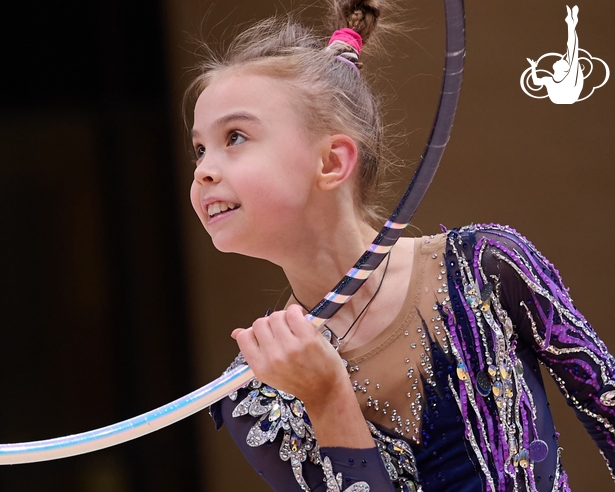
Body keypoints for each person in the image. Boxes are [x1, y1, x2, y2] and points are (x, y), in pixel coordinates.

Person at [187, 1, 615, 491]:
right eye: (200, 148)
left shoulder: (484, 268)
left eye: (235, 137)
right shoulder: (259, 391)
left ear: (331, 162)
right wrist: (327, 400)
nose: (203, 169)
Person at [527, 6, 584, 104]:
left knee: (572, 51)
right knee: (572, 52)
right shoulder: (554, 79)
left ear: (563, 69)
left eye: (562, 61)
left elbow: (536, 82)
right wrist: (533, 67)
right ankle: (571, 24)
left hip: (565, 96)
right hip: (567, 97)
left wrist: (533, 67)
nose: (559, 59)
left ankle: (571, 24)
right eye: (563, 61)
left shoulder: (551, 80)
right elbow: (536, 82)